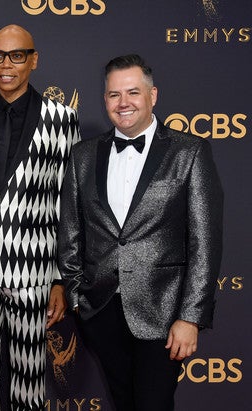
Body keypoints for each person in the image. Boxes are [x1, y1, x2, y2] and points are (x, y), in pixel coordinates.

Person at [57, 54, 223, 411]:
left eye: (133, 92)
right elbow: (70, 233)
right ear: (104, 100)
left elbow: (204, 243)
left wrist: (190, 317)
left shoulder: (189, 152)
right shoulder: (82, 156)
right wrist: (75, 296)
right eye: (114, 95)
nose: (124, 103)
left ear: (153, 96)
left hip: (163, 314)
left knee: (153, 404)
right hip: (100, 310)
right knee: (123, 402)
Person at [0, 24, 81, 411]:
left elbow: (65, 202)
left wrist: (60, 277)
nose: (6, 65)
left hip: (33, 272)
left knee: (29, 384)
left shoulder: (61, 120)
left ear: (33, 60)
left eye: (17, 55)